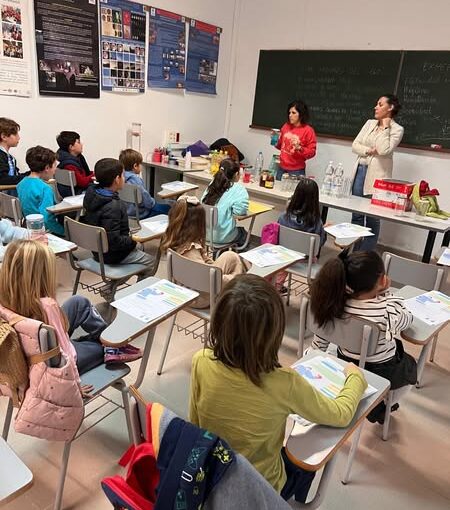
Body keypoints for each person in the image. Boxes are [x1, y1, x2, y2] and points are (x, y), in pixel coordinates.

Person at [189, 274, 367, 503]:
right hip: (261, 490)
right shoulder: (285, 382)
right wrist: (356, 378)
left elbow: (194, 427)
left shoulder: (201, 361)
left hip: (211, 480)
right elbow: (340, 414)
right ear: (275, 332)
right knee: (305, 465)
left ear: (218, 321)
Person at [0, 241, 142, 397]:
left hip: (32, 354)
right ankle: (111, 346)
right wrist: (74, 386)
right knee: (98, 347)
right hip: (55, 363)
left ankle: (106, 341)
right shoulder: (47, 306)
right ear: (41, 274)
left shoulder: (4, 299)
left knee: (78, 302)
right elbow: (65, 353)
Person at [309, 250, 417, 424]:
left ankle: (372, 402)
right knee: (411, 366)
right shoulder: (387, 309)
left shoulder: (333, 303)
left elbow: (319, 340)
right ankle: (380, 403)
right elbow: (407, 319)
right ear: (383, 280)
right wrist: (388, 294)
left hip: (346, 364)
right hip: (383, 371)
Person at [160, 195, 247, 308]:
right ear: (197, 224)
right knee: (238, 278)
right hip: (198, 297)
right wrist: (233, 278)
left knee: (230, 256)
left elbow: (203, 264)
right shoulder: (191, 251)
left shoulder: (178, 242)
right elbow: (208, 280)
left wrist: (212, 265)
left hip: (186, 287)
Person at [83, 158, 155, 274]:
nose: (125, 178)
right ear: (117, 179)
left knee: (140, 247)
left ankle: (111, 287)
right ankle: (114, 288)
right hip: (112, 254)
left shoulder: (91, 194)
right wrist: (132, 240)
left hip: (97, 250)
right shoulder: (114, 206)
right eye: (123, 175)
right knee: (152, 262)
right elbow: (115, 242)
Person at [351, 94, 404, 251]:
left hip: (378, 178)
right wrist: (368, 150)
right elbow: (355, 145)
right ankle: (354, 252)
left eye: (380, 104)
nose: (376, 107)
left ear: (391, 107)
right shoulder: (369, 123)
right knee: (357, 214)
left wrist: (386, 127)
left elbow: (384, 149)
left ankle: (365, 255)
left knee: (373, 218)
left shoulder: (397, 129)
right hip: (360, 171)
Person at [17, 146, 64, 236]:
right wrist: (64, 232)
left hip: (28, 228)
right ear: (47, 168)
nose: (55, 170)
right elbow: (47, 219)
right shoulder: (45, 189)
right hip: (43, 231)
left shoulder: (21, 184)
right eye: (54, 166)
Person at [202, 158, 249, 246]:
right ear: (236, 174)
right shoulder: (239, 189)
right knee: (244, 235)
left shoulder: (213, 183)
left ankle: (220, 256)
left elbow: (203, 201)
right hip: (222, 237)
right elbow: (240, 213)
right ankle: (231, 258)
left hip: (203, 234)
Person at [118, 148, 170, 219]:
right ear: (135, 166)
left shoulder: (120, 178)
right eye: (140, 164)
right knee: (169, 208)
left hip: (127, 214)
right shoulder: (136, 180)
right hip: (141, 214)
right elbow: (148, 202)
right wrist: (154, 203)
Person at [278, 177, 326, 248]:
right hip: (305, 257)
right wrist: (324, 229)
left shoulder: (283, 217)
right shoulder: (316, 223)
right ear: (315, 199)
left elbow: (277, 236)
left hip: (283, 254)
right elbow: (319, 243)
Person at [275, 99, 317, 181]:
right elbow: (281, 146)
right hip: (281, 168)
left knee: (294, 193)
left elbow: (312, 152)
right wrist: (275, 140)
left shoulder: (308, 131)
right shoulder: (285, 126)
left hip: (296, 171)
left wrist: (300, 149)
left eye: (293, 113)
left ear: (301, 115)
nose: (290, 115)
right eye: (289, 112)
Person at [56, 131, 94, 197]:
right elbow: (83, 182)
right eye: (78, 142)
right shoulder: (69, 165)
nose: (82, 144)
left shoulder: (77, 158)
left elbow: (84, 174)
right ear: (71, 147)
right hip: (78, 193)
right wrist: (95, 174)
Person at [0, 117, 26, 187]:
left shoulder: (9, 157)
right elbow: (2, 179)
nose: (19, 137)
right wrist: (28, 178)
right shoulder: (1, 156)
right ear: (4, 136)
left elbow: (14, 176)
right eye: (15, 134)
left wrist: (33, 173)